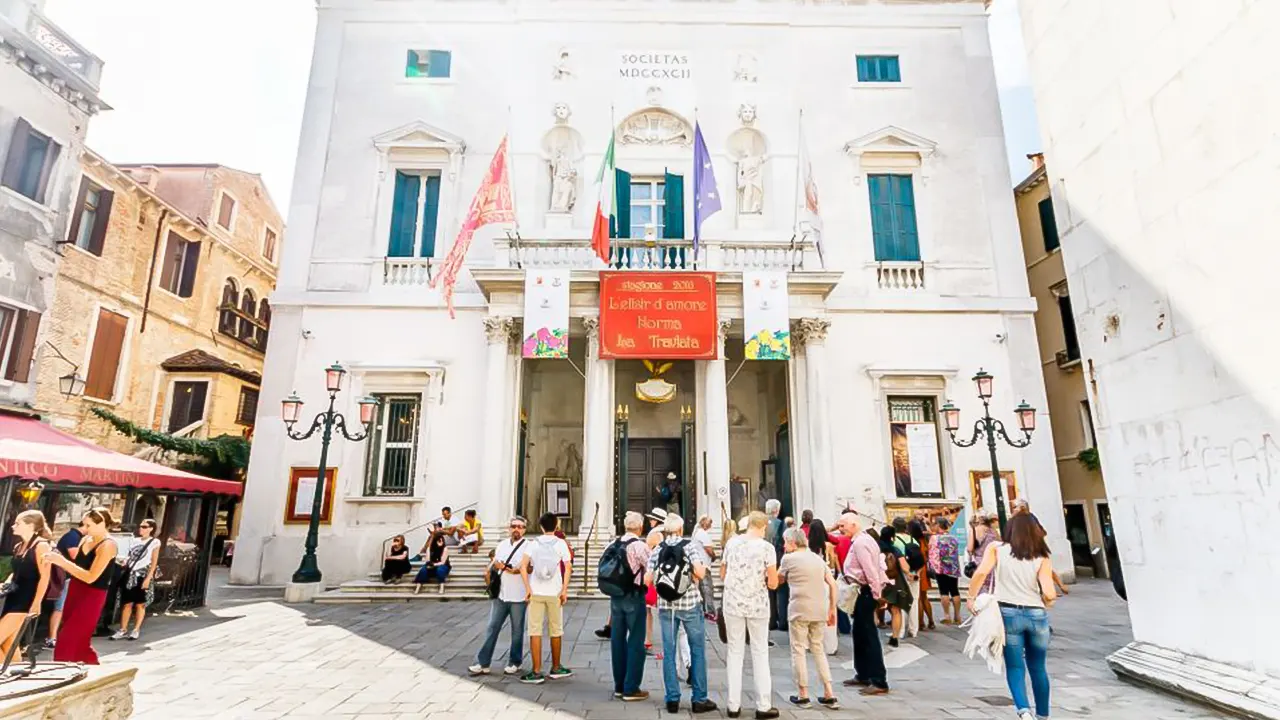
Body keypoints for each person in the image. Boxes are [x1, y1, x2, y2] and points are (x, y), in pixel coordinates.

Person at [968, 514, 1057, 720]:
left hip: (1007, 612)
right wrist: (1047, 601)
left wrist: (971, 597)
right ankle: (1043, 715)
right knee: (1038, 667)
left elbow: (981, 573)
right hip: (1036, 613)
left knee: (1015, 666)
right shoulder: (1041, 555)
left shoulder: (997, 550)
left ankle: (1024, 711)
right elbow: (1050, 593)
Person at [646, 513, 716, 715]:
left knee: (669, 651)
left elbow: (647, 580)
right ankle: (699, 698)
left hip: (666, 606)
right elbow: (701, 574)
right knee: (697, 649)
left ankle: (672, 699)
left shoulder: (658, 549)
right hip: (689, 604)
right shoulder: (689, 546)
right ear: (680, 529)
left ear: (666, 530)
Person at [720, 511, 779, 719]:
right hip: (757, 605)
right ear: (762, 527)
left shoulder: (732, 543)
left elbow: (722, 573)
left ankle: (733, 705)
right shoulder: (767, 548)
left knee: (734, 652)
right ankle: (763, 705)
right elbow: (773, 582)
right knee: (760, 651)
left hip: (733, 603)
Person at [44, 507, 118, 665]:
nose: (85, 529)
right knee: (81, 642)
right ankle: (93, 672)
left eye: (89, 525)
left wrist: (62, 562)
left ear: (102, 523)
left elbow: (91, 577)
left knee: (67, 638)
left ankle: (60, 672)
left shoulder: (108, 545)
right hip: (75, 589)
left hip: (93, 594)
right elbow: (78, 566)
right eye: (84, 525)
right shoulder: (86, 539)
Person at [779, 527, 839, 710]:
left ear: (792, 542)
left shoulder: (788, 559)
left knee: (798, 649)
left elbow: (778, 580)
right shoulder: (817, 558)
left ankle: (803, 693)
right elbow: (832, 584)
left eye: (785, 542)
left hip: (799, 608)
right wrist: (832, 608)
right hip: (819, 608)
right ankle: (829, 691)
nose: (783, 546)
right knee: (818, 648)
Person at [836, 512, 890, 695]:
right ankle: (863, 673)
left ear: (853, 524)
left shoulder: (861, 543)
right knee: (859, 633)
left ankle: (878, 680)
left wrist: (877, 594)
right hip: (861, 591)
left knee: (868, 635)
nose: (840, 529)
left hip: (865, 592)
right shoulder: (862, 541)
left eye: (843, 525)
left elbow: (871, 570)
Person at [470, 516, 531, 676]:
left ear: (525, 529)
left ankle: (515, 661)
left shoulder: (529, 547)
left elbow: (528, 568)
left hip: (519, 595)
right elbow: (495, 564)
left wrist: (512, 568)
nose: (516, 529)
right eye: (514, 526)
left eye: (520, 526)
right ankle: (483, 662)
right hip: (501, 594)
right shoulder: (502, 545)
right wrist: (500, 567)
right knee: (492, 628)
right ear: (509, 528)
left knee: (517, 630)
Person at [520, 513, 573, 684]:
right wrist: (564, 589)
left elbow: (523, 566)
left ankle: (536, 670)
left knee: (534, 630)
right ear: (556, 526)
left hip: (536, 591)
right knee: (556, 629)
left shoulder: (533, 543)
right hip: (555, 591)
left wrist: (528, 588)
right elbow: (568, 566)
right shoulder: (561, 544)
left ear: (541, 526)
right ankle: (556, 667)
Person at [607, 512, 652, 701]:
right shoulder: (640, 546)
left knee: (617, 639)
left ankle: (619, 685)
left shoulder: (613, 544)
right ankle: (631, 687)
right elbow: (652, 569)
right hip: (634, 596)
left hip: (615, 597)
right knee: (635, 640)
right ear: (640, 527)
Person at [0, 510, 52, 663]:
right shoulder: (19, 546)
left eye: (18, 523)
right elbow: (16, 573)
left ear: (30, 526)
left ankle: (4, 675)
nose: (13, 526)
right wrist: (6, 583)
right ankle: (14, 671)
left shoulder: (41, 546)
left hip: (26, 600)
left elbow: (45, 577)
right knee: (9, 642)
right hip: (12, 598)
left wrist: (36, 603)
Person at [112, 519, 160, 641]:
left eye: (144, 526)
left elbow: (154, 562)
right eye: (140, 526)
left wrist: (148, 578)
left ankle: (136, 629)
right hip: (130, 573)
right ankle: (123, 629)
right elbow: (129, 555)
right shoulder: (134, 541)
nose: (141, 528)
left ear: (151, 529)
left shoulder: (154, 542)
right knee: (127, 603)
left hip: (142, 574)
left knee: (140, 604)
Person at [1011, 499, 1069, 596]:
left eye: (1014, 507)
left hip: (1031, 546)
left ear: (1022, 507)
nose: (1013, 510)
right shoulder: (1028, 517)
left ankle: (1053, 588)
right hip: (1031, 545)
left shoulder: (1026, 518)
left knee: (1040, 567)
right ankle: (1054, 587)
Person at [45, 519, 84, 649]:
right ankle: (52, 637)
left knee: (62, 607)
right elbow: (75, 556)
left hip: (66, 577)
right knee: (59, 608)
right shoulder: (73, 537)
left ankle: (56, 636)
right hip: (64, 577)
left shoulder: (74, 536)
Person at [880, 525, 912, 647]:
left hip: (878, 581)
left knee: (874, 609)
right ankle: (895, 637)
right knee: (895, 610)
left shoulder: (876, 548)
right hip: (894, 581)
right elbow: (905, 567)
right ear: (892, 537)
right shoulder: (895, 550)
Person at [929, 517, 963, 625]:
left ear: (939, 525)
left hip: (941, 567)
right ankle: (957, 616)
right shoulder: (953, 538)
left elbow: (932, 554)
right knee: (954, 590)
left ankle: (947, 615)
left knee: (944, 591)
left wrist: (932, 567)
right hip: (953, 567)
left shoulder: (935, 538)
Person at [763, 499, 787, 632]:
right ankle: (782, 620)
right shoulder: (780, 524)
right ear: (776, 510)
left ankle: (771, 620)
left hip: (764, 562)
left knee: (769, 593)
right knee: (782, 592)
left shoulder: (762, 524)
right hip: (777, 560)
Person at [690, 515, 717, 619]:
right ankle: (710, 611)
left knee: (702, 589)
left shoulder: (697, 533)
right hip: (703, 565)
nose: (711, 525)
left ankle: (705, 610)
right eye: (710, 523)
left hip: (699, 564)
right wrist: (714, 556)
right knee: (707, 588)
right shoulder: (702, 534)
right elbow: (708, 549)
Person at [968, 512, 1000, 597]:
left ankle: (980, 605)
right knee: (991, 589)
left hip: (979, 562)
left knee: (979, 587)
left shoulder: (975, 530)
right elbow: (1000, 546)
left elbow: (970, 548)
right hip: (992, 563)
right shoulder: (994, 531)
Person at [413, 528, 451, 595]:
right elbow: (427, 560)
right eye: (439, 541)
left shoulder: (445, 549)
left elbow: (442, 562)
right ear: (435, 541)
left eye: (442, 541)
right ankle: (418, 587)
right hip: (431, 564)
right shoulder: (430, 549)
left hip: (443, 565)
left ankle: (441, 586)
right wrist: (430, 564)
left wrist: (434, 565)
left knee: (440, 570)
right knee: (423, 570)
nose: (441, 542)